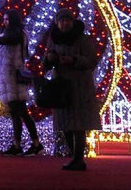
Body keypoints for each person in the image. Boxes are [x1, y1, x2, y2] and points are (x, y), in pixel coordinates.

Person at [0, 10, 42, 156]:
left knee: (21, 112)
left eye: (7, 19)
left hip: (14, 79)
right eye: (4, 19)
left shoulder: (16, 34)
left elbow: (0, 41)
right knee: (16, 113)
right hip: (9, 79)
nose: (4, 22)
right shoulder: (12, 34)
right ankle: (18, 145)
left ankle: (36, 144)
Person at [42, 9, 97, 171]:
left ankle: (79, 158)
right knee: (64, 123)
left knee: (78, 125)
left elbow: (91, 60)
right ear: (57, 23)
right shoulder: (53, 39)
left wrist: (74, 60)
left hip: (80, 87)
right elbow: (45, 62)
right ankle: (74, 155)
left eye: (67, 20)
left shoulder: (82, 39)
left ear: (72, 22)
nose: (64, 23)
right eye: (61, 20)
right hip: (61, 86)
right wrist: (49, 59)